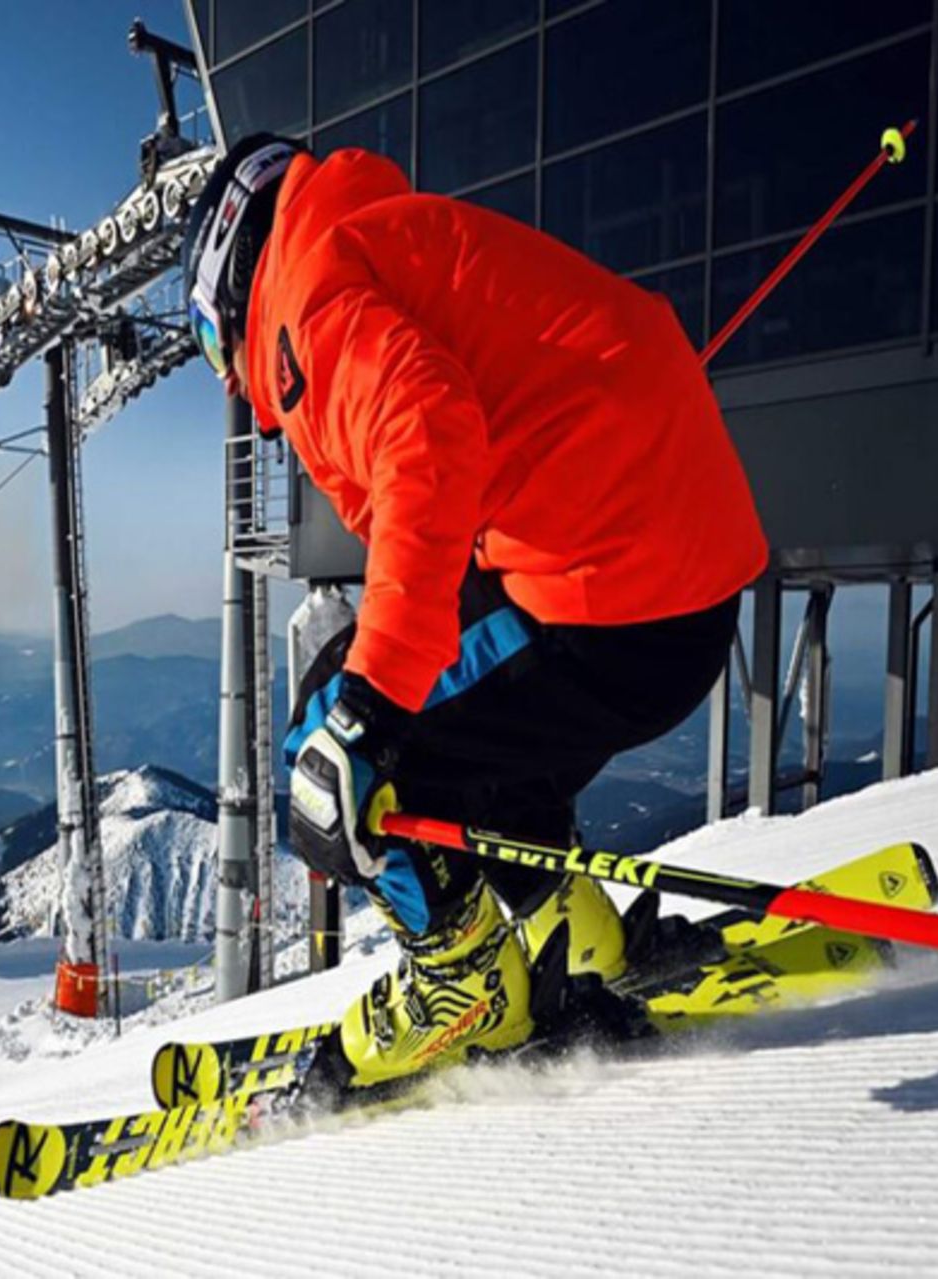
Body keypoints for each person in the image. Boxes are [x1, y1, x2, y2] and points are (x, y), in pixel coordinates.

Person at [181, 134, 768, 1087]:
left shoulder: (309, 300)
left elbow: (427, 433)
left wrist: (370, 705)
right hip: (676, 588)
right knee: (477, 738)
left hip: (611, 593)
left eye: (211, 339)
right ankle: (579, 940)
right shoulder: (371, 244)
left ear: (236, 272)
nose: (226, 373)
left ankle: (463, 980)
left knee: (330, 750)